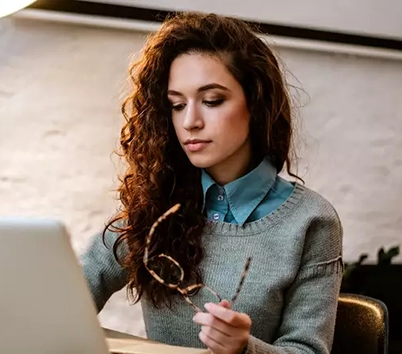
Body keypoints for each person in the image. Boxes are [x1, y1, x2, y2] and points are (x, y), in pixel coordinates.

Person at [81, 11, 343, 354]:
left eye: (212, 101)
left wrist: (244, 348)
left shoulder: (312, 221)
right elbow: (71, 293)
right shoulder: (156, 203)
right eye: (176, 105)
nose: (190, 121)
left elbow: (308, 350)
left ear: (255, 103)